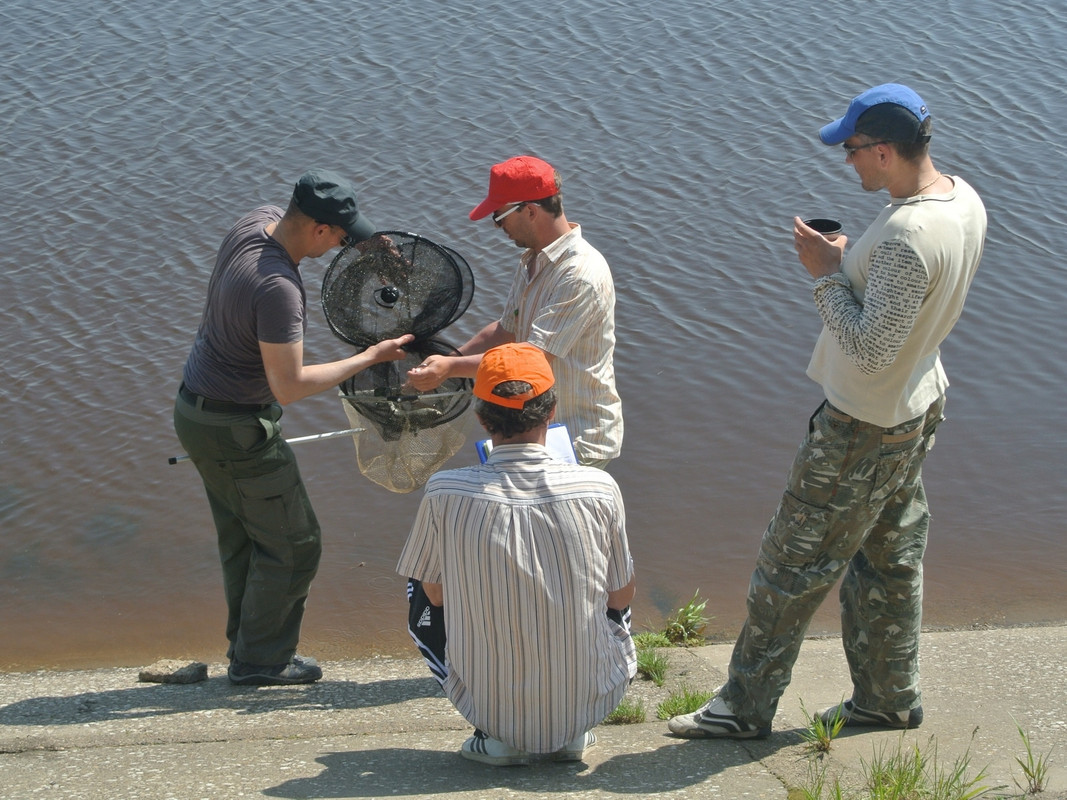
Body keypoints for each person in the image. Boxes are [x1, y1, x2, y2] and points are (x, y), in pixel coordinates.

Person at [668, 84, 987, 739]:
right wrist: (849, 262)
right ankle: (887, 698)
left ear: (884, 151)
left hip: (861, 425)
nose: (847, 162)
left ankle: (743, 709)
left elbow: (870, 349)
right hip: (916, 405)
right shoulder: (958, 197)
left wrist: (821, 272)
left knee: (789, 567)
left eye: (851, 151)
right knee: (889, 560)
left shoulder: (905, 232)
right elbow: (903, 300)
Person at [174, 169, 413, 686]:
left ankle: (248, 648)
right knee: (295, 541)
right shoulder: (278, 288)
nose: (344, 245)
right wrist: (369, 356)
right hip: (236, 428)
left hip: (197, 413)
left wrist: (371, 242)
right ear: (321, 231)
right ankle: (261, 663)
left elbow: (312, 223)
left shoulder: (254, 224)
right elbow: (290, 385)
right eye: (343, 236)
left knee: (245, 537)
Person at [396, 342, 636, 765]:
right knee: (612, 590)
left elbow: (435, 596)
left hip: (488, 707)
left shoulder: (444, 491)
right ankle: (572, 732)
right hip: (590, 701)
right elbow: (620, 600)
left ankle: (495, 736)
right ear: (552, 412)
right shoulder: (599, 487)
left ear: (481, 417)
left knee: (419, 583)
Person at [405, 154, 622, 469]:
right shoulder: (532, 260)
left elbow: (530, 360)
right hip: (536, 431)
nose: (498, 227)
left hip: (577, 440)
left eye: (499, 217)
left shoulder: (580, 275)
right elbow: (507, 331)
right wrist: (446, 363)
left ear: (531, 211)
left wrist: (450, 370)